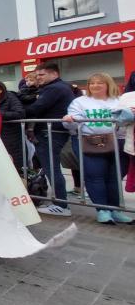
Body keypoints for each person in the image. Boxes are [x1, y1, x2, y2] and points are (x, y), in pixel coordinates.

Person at [63, 73, 133, 224]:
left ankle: (115, 210)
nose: (95, 86)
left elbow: (126, 120)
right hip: (89, 142)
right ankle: (102, 210)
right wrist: (69, 121)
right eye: (92, 83)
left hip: (118, 142)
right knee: (95, 176)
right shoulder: (79, 102)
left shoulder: (119, 101)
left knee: (115, 177)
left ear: (108, 84)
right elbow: (71, 124)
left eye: (100, 83)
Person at [25, 63, 76, 217]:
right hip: (53, 131)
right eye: (37, 75)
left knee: (51, 168)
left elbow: (36, 108)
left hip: (50, 132)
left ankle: (61, 205)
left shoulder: (54, 88)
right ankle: (61, 202)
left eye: (42, 74)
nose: (38, 78)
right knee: (51, 168)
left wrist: (18, 111)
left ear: (54, 74)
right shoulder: (60, 87)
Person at [0, 80, 25, 172]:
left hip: (11, 136)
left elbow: (19, 113)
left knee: (15, 164)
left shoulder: (10, 97)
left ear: (0, 89)